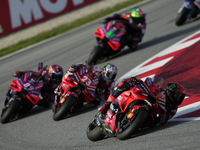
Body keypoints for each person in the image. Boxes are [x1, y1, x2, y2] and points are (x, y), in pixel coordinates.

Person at [99, 76, 186, 126]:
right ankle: (105, 108)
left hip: (149, 117)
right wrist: (138, 82)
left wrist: (160, 114)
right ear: (172, 92)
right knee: (124, 84)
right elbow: (151, 86)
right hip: (146, 98)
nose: (179, 99)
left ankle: (130, 123)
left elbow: (163, 121)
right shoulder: (162, 92)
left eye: (181, 98)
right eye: (178, 96)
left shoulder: (173, 109)